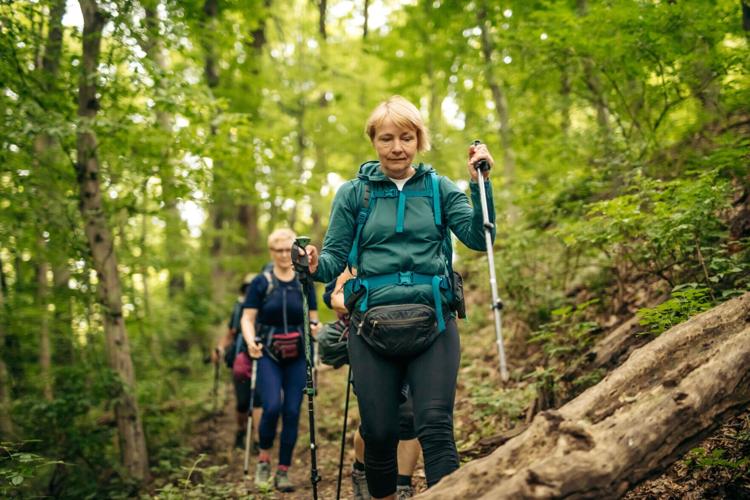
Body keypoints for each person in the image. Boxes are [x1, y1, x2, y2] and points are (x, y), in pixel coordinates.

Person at [305, 95, 495, 499]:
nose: (396, 147)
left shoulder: (439, 188)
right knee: (379, 431)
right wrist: (313, 263)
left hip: (434, 322)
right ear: (373, 141)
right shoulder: (354, 194)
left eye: (406, 138)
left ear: (418, 140)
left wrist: (482, 185)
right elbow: (332, 261)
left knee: (435, 425)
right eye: (387, 138)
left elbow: (481, 237)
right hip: (370, 327)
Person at [323, 270, 421, 500]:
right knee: (377, 422)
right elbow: (334, 298)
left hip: (413, 333)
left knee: (408, 417)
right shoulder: (353, 250)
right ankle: (360, 468)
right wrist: (368, 306)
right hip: (369, 340)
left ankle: (403, 486)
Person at [240, 228, 321, 492]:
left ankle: (283, 470)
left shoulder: (303, 280)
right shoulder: (261, 283)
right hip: (268, 354)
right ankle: (264, 459)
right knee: (272, 406)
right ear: (271, 252)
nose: (285, 255)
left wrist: (316, 327)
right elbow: (247, 318)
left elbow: (312, 316)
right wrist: (251, 340)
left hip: (298, 354)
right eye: (279, 250)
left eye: (289, 249)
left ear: (296, 250)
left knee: (292, 411)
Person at [213, 275, 263, 451]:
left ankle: (258, 438)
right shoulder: (239, 308)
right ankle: (241, 430)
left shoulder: (269, 304)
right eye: (247, 287)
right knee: (242, 401)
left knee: (259, 399)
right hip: (242, 357)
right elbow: (231, 333)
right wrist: (219, 349)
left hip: (263, 355)